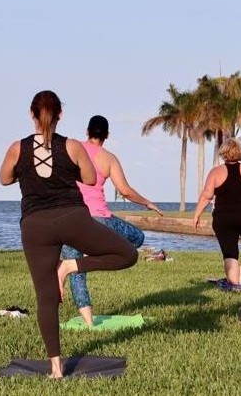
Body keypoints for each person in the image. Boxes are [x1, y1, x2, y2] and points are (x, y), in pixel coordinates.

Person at [0, 90, 137, 379]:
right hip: (71, 218)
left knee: (46, 297)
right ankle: (72, 266)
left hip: (35, 225)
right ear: (60, 114)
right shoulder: (73, 146)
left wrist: (29, 173)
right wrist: (65, 171)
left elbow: (5, 179)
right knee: (127, 253)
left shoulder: (17, 148)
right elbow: (88, 178)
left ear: (31, 114)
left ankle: (56, 369)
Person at [61, 115, 162, 327]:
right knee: (137, 236)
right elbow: (125, 191)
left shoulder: (72, 148)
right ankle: (92, 255)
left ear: (87, 131)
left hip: (70, 218)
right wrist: (147, 203)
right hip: (100, 219)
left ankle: (88, 321)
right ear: (106, 135)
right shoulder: (108, 158)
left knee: (75, 271)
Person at [192, 138, 241, 285]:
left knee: (230, 253)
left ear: (223, 153)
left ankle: (236, 281)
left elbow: (206, 196)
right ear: (240, 152)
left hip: (223, 219)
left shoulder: (215, 172)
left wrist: (197, 215)